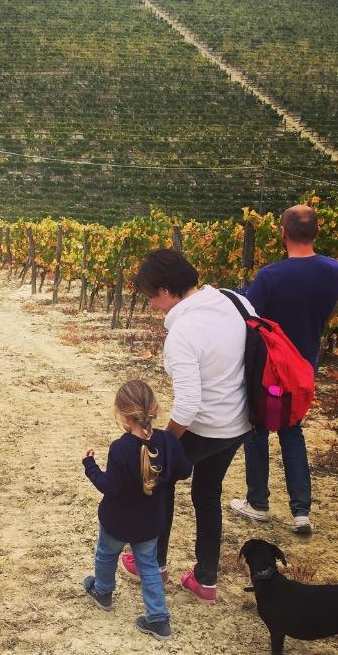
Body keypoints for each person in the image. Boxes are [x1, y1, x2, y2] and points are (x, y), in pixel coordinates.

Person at [120, 250, 255, 603]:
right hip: (239, 422)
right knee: (207, 494)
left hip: (205, 426)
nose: (151, 305)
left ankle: (153, 564)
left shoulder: (184, 331)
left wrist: (166, 442)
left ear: (165, 290)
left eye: (151, 296)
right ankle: (205, 581)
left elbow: (190, 404)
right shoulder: (235, 301)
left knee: (158, 486)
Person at [230, 204, 338, 535]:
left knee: (257, 427)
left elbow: (251, 316)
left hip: (268, 368)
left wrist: (240, 294)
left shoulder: (270, 276)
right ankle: (301, 512)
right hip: (305, 366)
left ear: (282, 233)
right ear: (317, 232)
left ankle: (258, 503)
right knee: (292, 429)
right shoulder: (334, 270)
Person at [82, 380, 192, 641]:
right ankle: (158, 618)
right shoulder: (167, 441)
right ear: (152, 409)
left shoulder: (121, 448)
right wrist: (163, 475)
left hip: (116, 521)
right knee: (149, 567)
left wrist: (90, 466)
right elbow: (185, 470)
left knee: (106, 555)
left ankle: (103, 591)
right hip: (150, 522)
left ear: (122, 415)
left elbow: (110, 487)